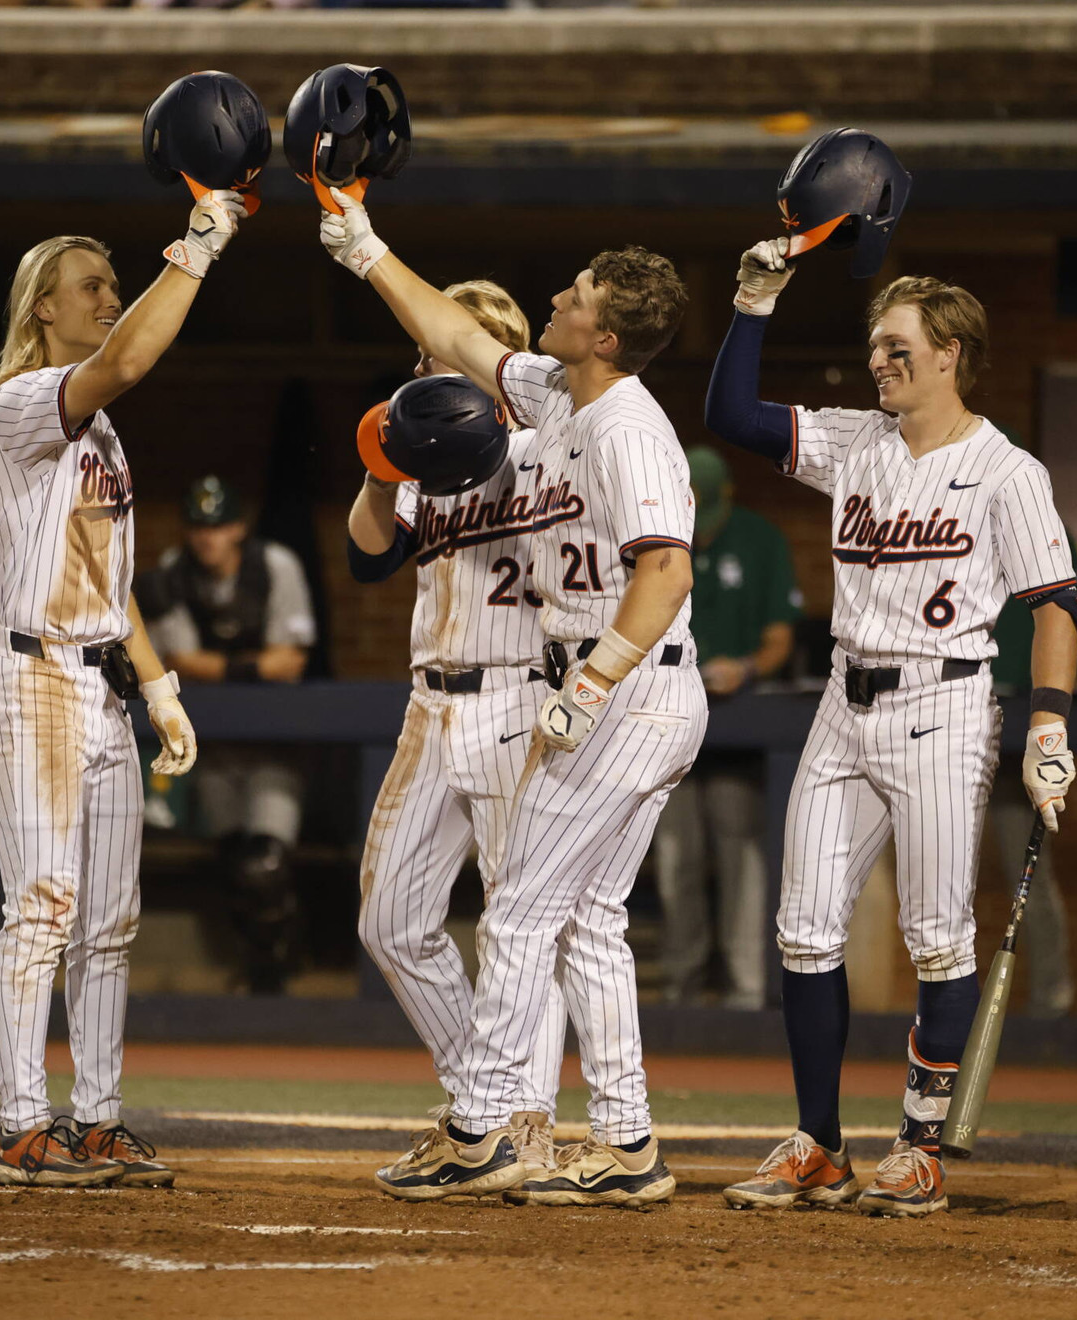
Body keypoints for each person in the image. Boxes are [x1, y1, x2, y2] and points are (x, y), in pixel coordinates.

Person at [322, 189, 704, 1208]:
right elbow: (452, 332)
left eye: (575, 295)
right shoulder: (558, 398)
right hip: (615, 684)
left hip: (622, 681)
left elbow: (668, 571)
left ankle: (483, 1127)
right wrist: (365, 247)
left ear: (605, 333)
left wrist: (590, 683)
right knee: (587, 922)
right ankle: (626, 1142)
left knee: (523, 914)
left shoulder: (625, 425)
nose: (557, 295)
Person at [704, 241, 1077, 1217]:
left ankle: (918, 1147)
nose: (878, 361)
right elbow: (730, 416)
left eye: (897, 347)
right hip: (843, 700)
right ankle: (819, 1145)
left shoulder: (1007, 471)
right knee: (801, 929)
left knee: (936, 940)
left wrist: (1048, 727)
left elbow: (1055, 607)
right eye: (874, 346)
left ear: (953, 352)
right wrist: (755, 297)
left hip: (945, 703)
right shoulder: (854, 440)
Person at [0, 180, 251, 1188]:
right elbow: (129, 355)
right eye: (93, 287)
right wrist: (198, 250)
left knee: (110, 920)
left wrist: (160, 685)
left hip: (101, 685)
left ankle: (97, 1120)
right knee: (41, 906)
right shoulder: (20, 404)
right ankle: (20, 1126)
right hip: (32, 675)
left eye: (115, 284)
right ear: (44, 306)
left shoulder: (102, 436)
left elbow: (113, 582)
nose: (109, 299)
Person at [345, 279, 571, 1190]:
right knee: (392, 920)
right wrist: (380, 463)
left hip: (521, 702)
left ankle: (530, 1126)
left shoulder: (548, 448)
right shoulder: (422, 461)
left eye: (450, 348)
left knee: (521, 930)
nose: (427, 362)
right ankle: (478, 1101)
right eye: (426, 352)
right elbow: (366, 556)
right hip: (429, 705)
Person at [139, 475, 316, 994]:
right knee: (235, 866)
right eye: (197, 526)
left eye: (216, 526)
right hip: (212, 748)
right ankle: (265, 970)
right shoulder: (174, 570)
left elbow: (292, 661)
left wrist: (224, 666)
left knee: (266, 863)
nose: (205, 537)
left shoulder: (275, 565)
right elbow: (179, 662)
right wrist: (253, 665)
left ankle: (280, 970)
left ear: (237, 528)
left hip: (274, 746)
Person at [651, 445, 803, 1010]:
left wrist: (742, 669)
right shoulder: (655, 534)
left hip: (738, 729)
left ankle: (745, 991)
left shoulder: (759, 539)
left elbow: (779, 639)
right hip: (667, 723)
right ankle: (681, 993)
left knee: (740, 856)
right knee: (676, 860)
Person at [986, 527, 1077, 1019]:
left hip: (1021, 737)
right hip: (943, 725)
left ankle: (1052, 999)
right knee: (937, 885)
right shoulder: (936, 517)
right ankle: (948, 1005)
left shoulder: (1044, 529)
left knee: (1027, 871)